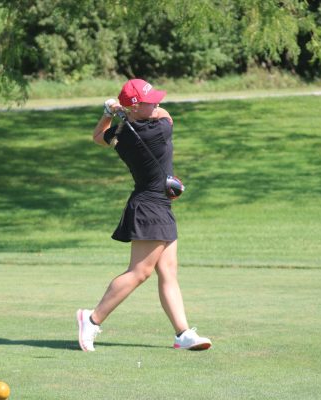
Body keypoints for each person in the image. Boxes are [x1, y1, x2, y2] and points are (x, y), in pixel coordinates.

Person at [76, 79, 212, 352]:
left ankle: (182, 333)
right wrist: (126, 111)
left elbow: (97, 137)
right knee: (140, 272)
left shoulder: (122, 135)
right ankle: (91, 319)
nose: (157, 103)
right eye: (150, 100)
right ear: (137, 106)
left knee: (168, 272)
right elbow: (166, 115)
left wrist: (111, 111)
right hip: (150, 208)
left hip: (156, 205)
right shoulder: (159, 129)